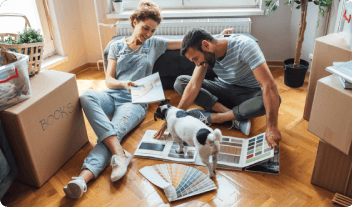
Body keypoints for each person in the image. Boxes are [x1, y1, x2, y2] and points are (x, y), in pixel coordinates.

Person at [63, 1, 183, 199]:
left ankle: (81, 180)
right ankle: (121, 154)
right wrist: (124, 84)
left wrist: (220, 37)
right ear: (134, 21)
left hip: (135, 102)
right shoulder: (116, 46)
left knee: (112, 133)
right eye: (145, 28)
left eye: (152, 30)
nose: (148, 33)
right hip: (112, 96)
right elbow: (109, 80)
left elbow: (185, 42)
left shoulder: (154, 44)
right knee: (86, 95)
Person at [154, 28, 282, 152]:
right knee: (181, 82)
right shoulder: (207, 54)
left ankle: (216, 117)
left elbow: (269, 85)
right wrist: (174, 118)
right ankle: (233, 116)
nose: (197, 64)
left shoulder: (245, 46)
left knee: (273, 100)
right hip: (222, 90)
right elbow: (193, 85)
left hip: (248, 94)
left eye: (196, 59)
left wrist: (272, 127)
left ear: (206, 45)